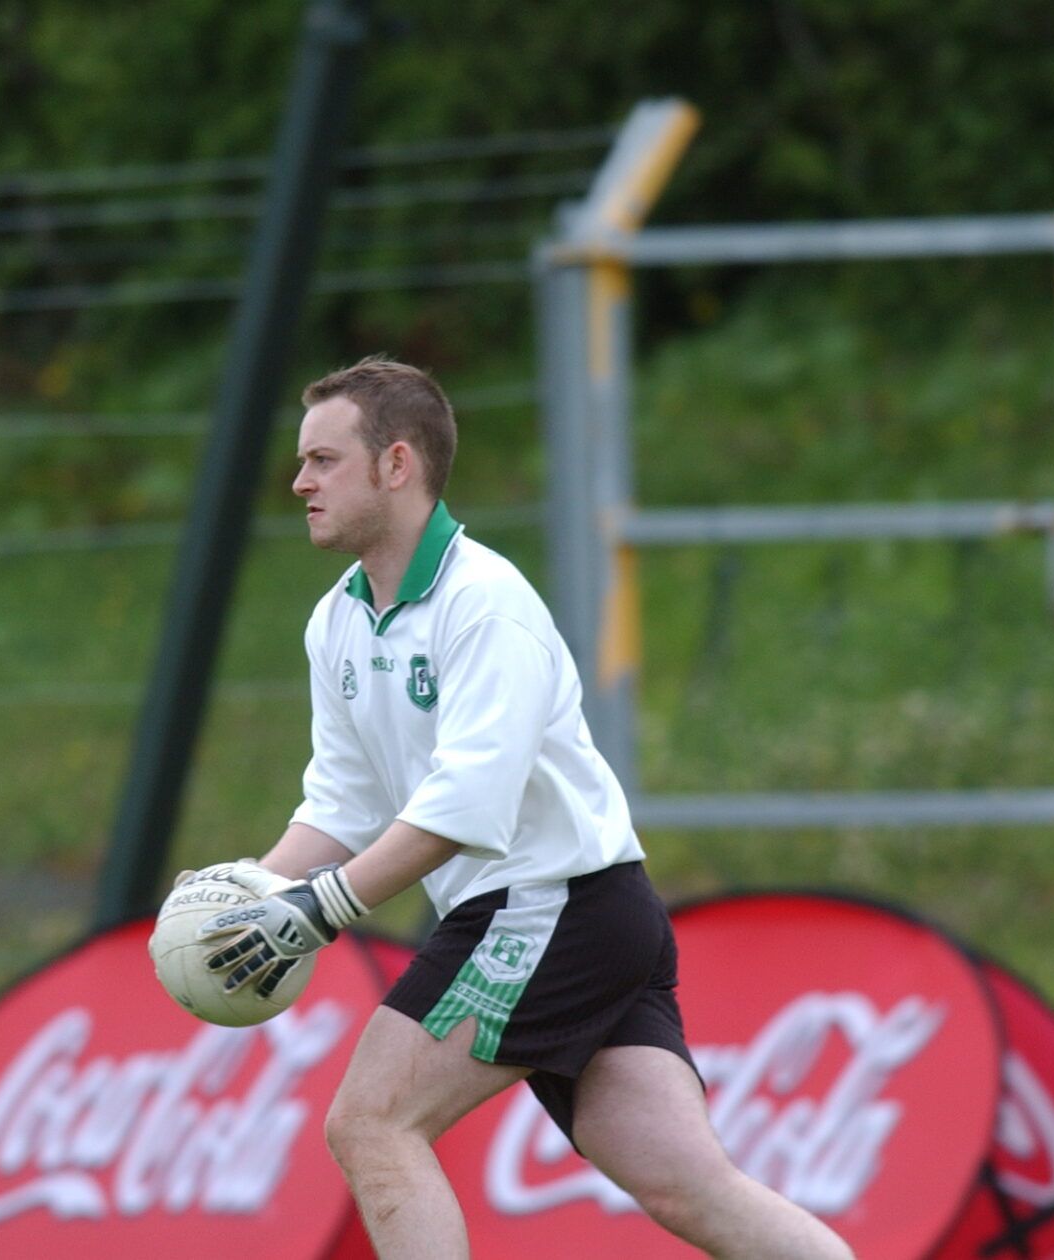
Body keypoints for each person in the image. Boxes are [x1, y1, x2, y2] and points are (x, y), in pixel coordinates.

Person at [185, 356, 854, 1260]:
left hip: (548, 906)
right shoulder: (337, 618)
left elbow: (467, 806)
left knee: (373, 1122)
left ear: (396, 464)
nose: (300, 481)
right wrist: (253, 889)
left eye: (323, 460)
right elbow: (343, 800)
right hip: (580, 913)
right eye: (303, 461)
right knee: (686, 1185)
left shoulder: (484, 603)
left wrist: (321, 908)